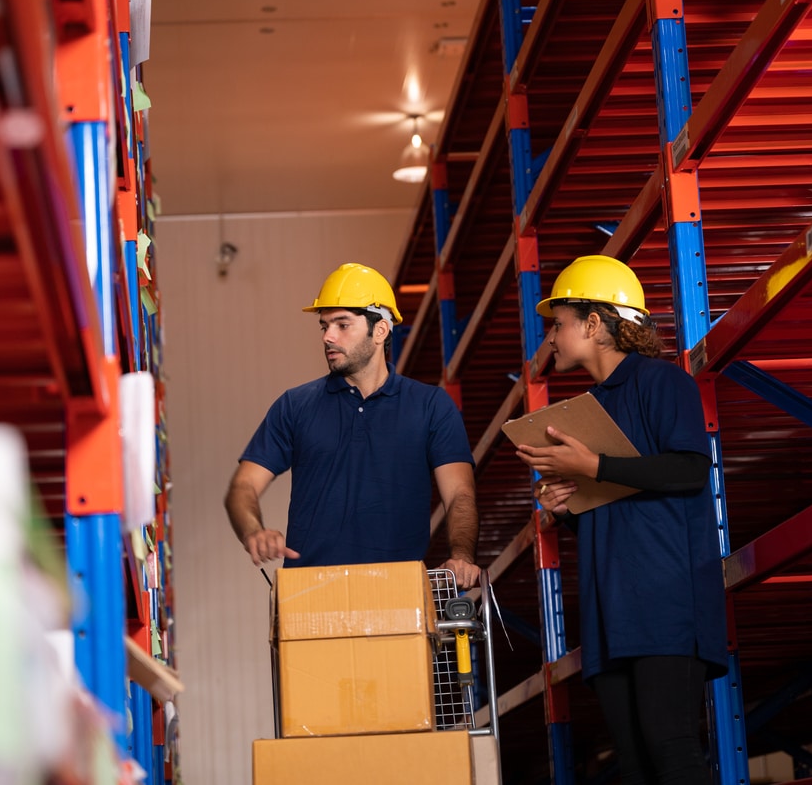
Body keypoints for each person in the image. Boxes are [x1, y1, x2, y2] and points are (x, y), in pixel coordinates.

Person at [514, 255, 728, 785]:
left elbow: (690, 472)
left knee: (672, 749)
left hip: (667, 604)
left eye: (559, 324)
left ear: (594, 323)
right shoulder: (585, 409)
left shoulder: (663, 383)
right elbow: (615, 515)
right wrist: (567, 508)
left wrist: (592, 466)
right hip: (613, 611)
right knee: (634, 765)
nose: (552, 338)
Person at [224, 262, 481, 589]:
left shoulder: (431, 406)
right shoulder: (295, 406)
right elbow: (242, 488)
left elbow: (459, 492)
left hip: (399, 592)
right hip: (309, 595)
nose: (328, 337)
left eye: (342, 324)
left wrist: (462, 556)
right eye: (324, 326)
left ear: (381, 331)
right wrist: (253, 531)